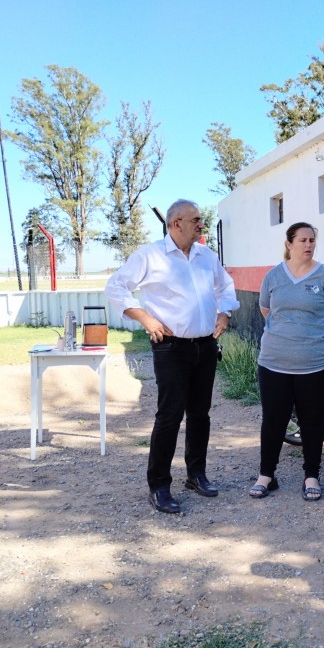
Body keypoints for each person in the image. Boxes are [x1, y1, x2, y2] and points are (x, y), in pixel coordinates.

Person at [105, 199, 239, 514]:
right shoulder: (150, 256)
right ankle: (160, 486)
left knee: (200, 414)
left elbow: (226, 288)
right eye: (196, 220)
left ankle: (196, 475)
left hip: (205, 345)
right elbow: (115, 287)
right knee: (169, 416)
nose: (201, 225)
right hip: (171, 346)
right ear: (176, 223)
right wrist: (145, 319)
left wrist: (225, 314)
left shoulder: (207, 256)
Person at [250, 222, 324, 501]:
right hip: (273, 361)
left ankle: (311, 476)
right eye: (303, 240)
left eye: (312, 240)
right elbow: (266, 310)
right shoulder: (273, 277)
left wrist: (314, 331)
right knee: (273, 419)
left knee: (311, 419)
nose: (308, 245)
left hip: (316, 363)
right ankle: (266, 475)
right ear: (289, 244)